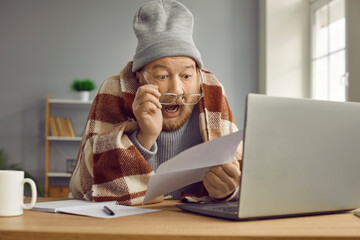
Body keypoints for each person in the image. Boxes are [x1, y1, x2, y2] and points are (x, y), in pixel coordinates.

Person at [69, 0, 242, 205]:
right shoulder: (114, 91)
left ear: (197, 75)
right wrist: (145, 137)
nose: (176, 90)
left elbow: (241, 176)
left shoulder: (212, 92)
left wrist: (229, 190)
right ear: (139, 77)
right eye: (161, 76)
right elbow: (87, 186)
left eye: (186, 76)